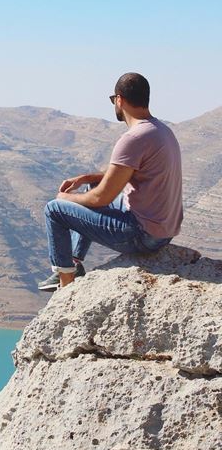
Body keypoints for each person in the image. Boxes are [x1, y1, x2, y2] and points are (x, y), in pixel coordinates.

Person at [39, 72, 183, 292]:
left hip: (142, 235)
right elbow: (122, 174)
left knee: (54, 209)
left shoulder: (133, 138)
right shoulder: (161, 131)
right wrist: (87, 178)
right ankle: (75, 263)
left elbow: (101, 199)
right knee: (92, 186)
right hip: (163, 230)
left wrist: (65, 197)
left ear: (119, 99)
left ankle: (65, 283)